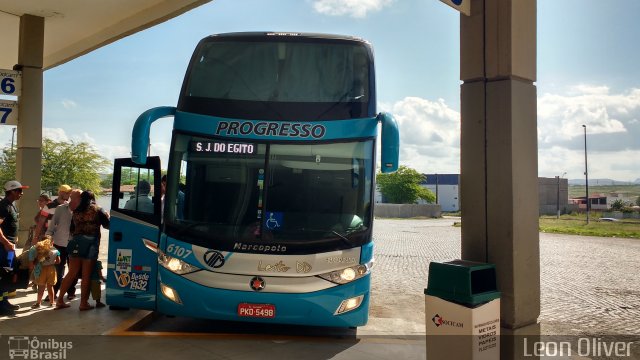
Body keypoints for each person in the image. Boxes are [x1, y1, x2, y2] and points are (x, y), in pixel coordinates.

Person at [55, 190, 109, 311]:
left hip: (76, 243)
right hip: (91, 244)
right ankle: (83, 303)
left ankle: (59, 300)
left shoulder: (76, 211)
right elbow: (107, 225)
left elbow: (72, 229)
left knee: (71, 273)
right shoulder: (98, 209)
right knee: (86, 275)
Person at [0, 180, 28, 315]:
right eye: (19, 191)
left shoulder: (13, 205)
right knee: (3, 275)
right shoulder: (3, 205)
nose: (21, 193)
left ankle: (4, 302)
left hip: (9, 247)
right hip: (3, 248)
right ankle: (1, 305)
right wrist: (6, 243)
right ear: (11, 191)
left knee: (9, 275)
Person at [46, 189, 79, 301]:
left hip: (74, 245)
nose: (75, 199)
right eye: (73, 196)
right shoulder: (60, 209)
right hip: (59, 243)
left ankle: (70, 291)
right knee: (58, 269)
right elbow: (52, 225)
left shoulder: (82, 210)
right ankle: (53, 292)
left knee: (73, 270)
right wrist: (48, 238)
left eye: (78, 197)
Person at [28, 236, 60, 308]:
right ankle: (52, 302)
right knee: (50, 287)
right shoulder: (55, 250)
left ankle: (38, 303)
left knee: (41, 287)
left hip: (41, 269)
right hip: (51, 269)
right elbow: (58, 261)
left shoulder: (38, 250)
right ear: (52, 242)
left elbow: (34, 262)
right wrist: (52, 261)